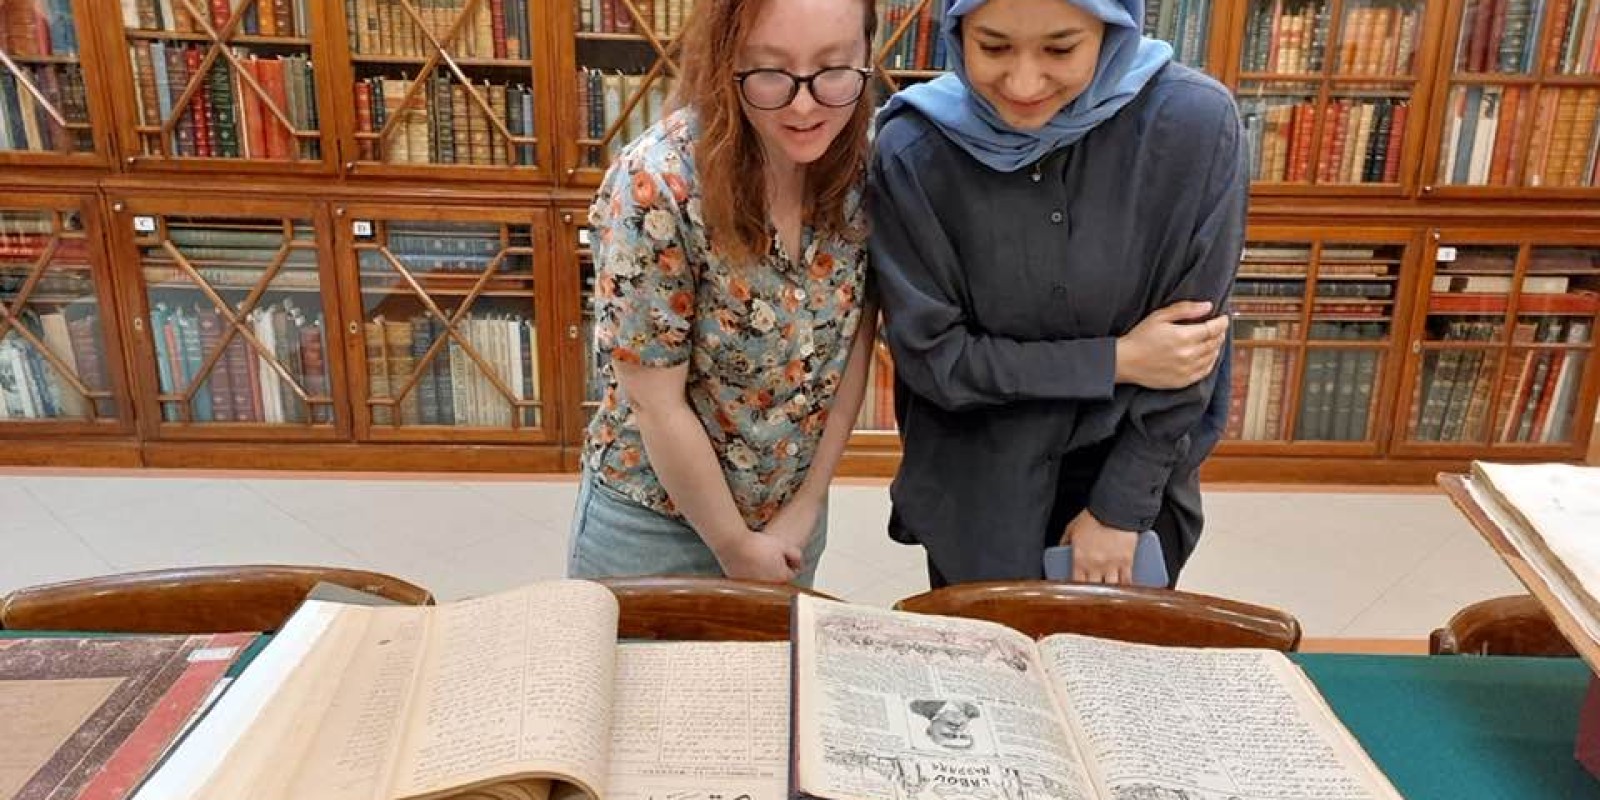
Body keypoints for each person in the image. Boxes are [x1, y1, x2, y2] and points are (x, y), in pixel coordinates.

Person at [868, 0, 1245, 587]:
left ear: (1113, 30)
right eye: (992, 47)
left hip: (1133, 479)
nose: (1023, 83)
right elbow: (936, 361)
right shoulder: (915, 149)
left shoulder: (1193, 126)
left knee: (1114, 672)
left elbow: (1191, 351)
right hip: (978, 494)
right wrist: (1118, 360)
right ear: (956, 32)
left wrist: (1119, 510)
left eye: (1060, 49)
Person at [567, 0, 880, 587]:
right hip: (655, 525)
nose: (804, 103)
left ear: (866, 54)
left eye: (834, 68)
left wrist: (806, 506)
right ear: (724, 60)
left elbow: (853, 349)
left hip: (789, 521)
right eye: (769, 71)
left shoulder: (863, 170)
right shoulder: (656, 184)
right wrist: (733, 545)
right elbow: (655, 402)